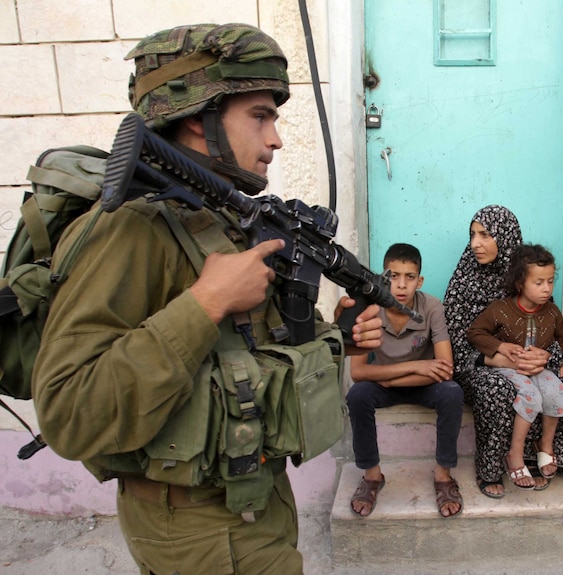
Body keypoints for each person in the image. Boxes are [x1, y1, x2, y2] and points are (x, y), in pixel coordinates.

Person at [30, 23, 382, 575]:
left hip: (253, 502)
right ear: (199, 115)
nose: (276, 140)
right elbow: (68, 413)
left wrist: (335, 333)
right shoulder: (129, 229)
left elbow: (249, 355)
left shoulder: (215, 217)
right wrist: (205, 302)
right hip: (198, 531)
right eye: (260, 117)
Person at [443, 205, 563, 499]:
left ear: (506, 237)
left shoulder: (532, 278)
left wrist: (546, 358)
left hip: (527, 364)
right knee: (498, 390)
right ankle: (491, 468)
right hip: (480, 365)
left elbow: (549, 334)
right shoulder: (463, 282)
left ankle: (542, 456)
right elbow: (458, 345)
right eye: (473, 235)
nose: (476, 243)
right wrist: (501, 357)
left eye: (486, 235)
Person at [346, 243, 464, 518]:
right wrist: (418, 366)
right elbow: (358, 373)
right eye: (394, 276)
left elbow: (445, 370)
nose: (401, 285)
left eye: (409, 277)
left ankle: (443, 476)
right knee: (358, 394)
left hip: (421, 386)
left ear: (419, 280)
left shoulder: (432, 306)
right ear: (384, 277)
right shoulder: (370, 310)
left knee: (452, 392)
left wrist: (391, 379)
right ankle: (372, 476)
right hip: (391, 385)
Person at [466, 243, 563, 490]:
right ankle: (515, 454)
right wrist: (499, 346)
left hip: (538, 368)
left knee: (556, 390)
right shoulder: (500, 310)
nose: (546, 288)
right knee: (530, 396)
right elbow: (475, 332)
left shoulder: (551, 312)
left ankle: (545, 445)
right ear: (520, 283)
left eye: (550, 281)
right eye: (538, 283)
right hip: (509, 368)